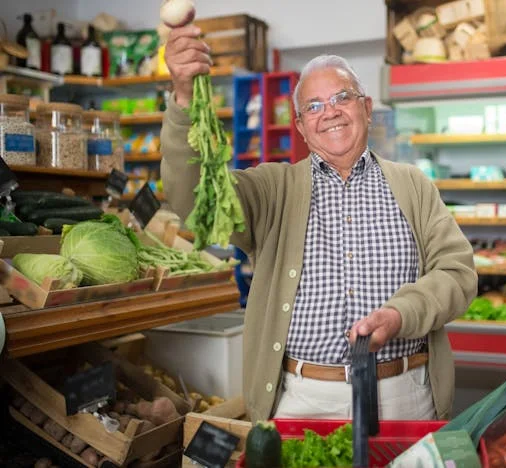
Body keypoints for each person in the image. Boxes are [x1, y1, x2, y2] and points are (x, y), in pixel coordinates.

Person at [160, 24, 477, 422]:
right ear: (301, 127)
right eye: (313, 106)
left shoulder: (412, 184)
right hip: (304, 400)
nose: (329, 112)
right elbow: (194, 200)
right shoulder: (273, 190)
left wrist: (401, 314)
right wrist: (185, 99)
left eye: (342, 97)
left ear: (366, 106)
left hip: (404, 394)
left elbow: (457, 272)